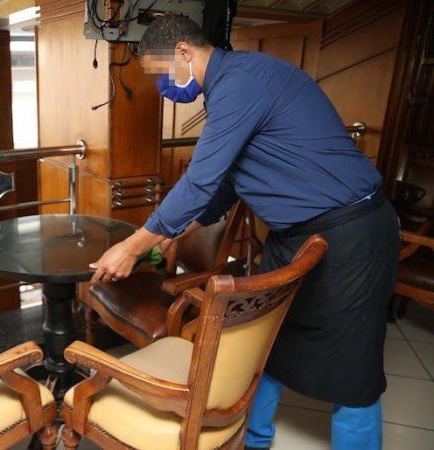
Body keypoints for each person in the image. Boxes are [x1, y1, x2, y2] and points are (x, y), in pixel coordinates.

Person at [89, 14, 400, 450]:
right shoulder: (227, 91)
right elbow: (223, 189)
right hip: (292, 237)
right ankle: (253, 440)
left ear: (183, 52)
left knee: (352, 368)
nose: (162, 86)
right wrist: (168, 234)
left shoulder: (242, 81)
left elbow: (199, 181)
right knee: (262, 342)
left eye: (160, 72)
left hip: (352, 233)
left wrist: (131, 245)